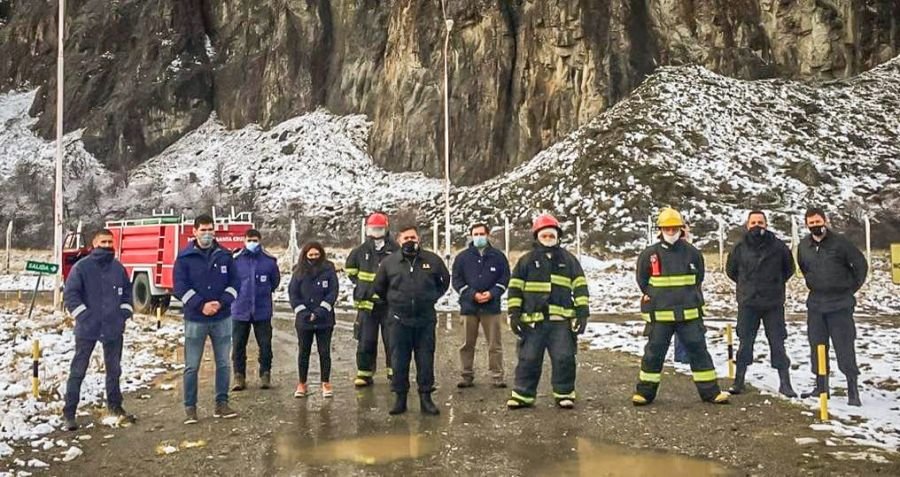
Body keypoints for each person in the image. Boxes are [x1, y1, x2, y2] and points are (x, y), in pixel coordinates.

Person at [632, 207, 729, 406]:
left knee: (699, 351)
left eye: (674, 228)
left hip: (689, 315)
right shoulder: (649, 254)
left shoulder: (693, 253)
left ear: (681, 228)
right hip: (660, 317)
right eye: (666, 228)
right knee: (653, 353)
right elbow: (643, 281)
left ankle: (711, 392)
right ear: (660, 230)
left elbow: (698, 279)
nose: (671, 232)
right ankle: (645, 393)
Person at [506, 214, 590, 410]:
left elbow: (580, 286)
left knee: (564, 357)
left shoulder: (569, 260)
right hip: (533, 321)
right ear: (537, 237)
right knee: (528, 358)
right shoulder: (526, 261)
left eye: (552, 235)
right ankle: (523, 395)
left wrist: (582, 311)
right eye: (544, 235)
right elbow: (515, 288)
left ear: (558, 237)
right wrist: (514, 313)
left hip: (561, 321)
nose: (548, 238)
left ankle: (564, 394)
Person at [372, 224, 450, 415]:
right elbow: (379, 287)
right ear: (399, 241)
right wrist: (395, 302)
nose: (409, 241)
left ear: (418, 239)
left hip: (425, 320)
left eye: (412, 238)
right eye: (406, 238)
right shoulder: (389, 263)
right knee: (399, 360)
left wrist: (430, 297)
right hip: (399, 321)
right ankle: (400, 399)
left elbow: (444, 282)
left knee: (425, 360)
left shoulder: (432, 260)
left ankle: (426, 398)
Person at [62, 229, 135, 431]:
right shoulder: (81, 267)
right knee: (78, 370)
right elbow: (70, 294)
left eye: (110, 242)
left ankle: (115, 407)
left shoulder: (118, 268)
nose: (107, 245)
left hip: (113, 327)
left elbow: (127, 293)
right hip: (87, 329)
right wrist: (85, 317)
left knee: (114, 370)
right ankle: (69, 413)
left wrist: (124, 312)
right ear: (94, 243)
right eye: (103, 241)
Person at [797, 207, 868, 406]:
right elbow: (803, 268)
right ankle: (821, 386)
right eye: (811, 223)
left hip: (840, 305)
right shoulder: (803, 246)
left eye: (818, 221)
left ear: (825, 221)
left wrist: (850, 288)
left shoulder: (841, 243)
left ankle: (852, 390)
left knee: (844, 347)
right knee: (817, 346)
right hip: (816, 305)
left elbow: (860, 266)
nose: (815, 226)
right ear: (806, 225)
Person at [174, 214, 240, 424]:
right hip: (195, 319)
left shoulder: (225, 256)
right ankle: (190, 408)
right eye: (203, 229)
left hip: (222, 318)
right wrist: (200, 305)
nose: (207, 233)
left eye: (210, 229)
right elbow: (179, 287)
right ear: (194, 231)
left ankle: (222, 404)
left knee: (223, 363)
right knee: (192, 365)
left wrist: (221, 302)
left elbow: (235, 283)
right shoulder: (184, 258)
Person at [725, 210, 796, 397]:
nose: (757, 225)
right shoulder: (739, 247)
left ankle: (785, 383)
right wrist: (747, 286)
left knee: (778, 342)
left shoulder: (779, 246)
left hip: (773, 303)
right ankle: (739, 381)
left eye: (761, 222)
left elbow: (789, 269)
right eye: (754, 222)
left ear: (766, 224)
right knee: (745, 343)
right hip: (748, 303)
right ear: (748, 225)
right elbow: (731, 271)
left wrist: (774, 284)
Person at [452, 223, 510, 388]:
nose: (478, 237)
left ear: (487, 235)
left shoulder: (498, 257)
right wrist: (471, 294)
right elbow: (456, 279)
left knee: (494, 344)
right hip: (468, 307)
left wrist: (493, 293)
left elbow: (505, 278)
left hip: (491, 307)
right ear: (471, 236)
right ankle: (466, 375)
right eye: (475, 234)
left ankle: (497, 376)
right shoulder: (462, 257)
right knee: (466, 344)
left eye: (481, 234)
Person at [346, 212, 398, 387]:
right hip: (367, 304)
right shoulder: (360, 251)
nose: (376, 231)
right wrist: (362, 287)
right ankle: (364, 373)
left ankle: (395, 374)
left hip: (389, 304)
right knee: (366, 340)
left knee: (393, 340)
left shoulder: (395, 250)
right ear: (367, 229)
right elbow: (350, 271)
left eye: (379, 228)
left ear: (386, 228)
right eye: (373, 228)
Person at [231, 229, 280, 391]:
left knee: (265, 345)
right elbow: (229, 282)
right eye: (249, 240)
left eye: (255, 240)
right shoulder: (235, 260)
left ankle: (265, 374)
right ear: (244, 240)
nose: (252, 243)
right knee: (238, 345)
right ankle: (239, 376)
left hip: (262, 310)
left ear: (260, 241)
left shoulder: (269, 261)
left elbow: (275, 283)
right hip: (239, 310)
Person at [289, 242, 339, 398]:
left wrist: (320, 311)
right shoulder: (298, 272)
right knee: (304, 352)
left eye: (316, 255)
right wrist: (304, 312)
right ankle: (302, 383)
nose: (313, 258)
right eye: (310, 255)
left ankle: (325, 382)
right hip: (304, 321)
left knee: (324, 352)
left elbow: (333, 292)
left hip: (325, 320)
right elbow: (293, 294)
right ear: (305, 256)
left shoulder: (329, 270)